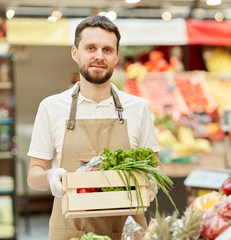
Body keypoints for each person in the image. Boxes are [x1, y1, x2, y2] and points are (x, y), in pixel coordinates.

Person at [27, 15, 161, 240]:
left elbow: (155, 168)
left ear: (116, 57)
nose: (99, 56)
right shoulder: (51, 107)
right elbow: (34, 174)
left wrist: (150, 183)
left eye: (107, 50)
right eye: (91, 48)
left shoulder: (137, 108)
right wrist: (50, 176)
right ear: (75, 53)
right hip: (70, 231)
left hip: (128, 231)